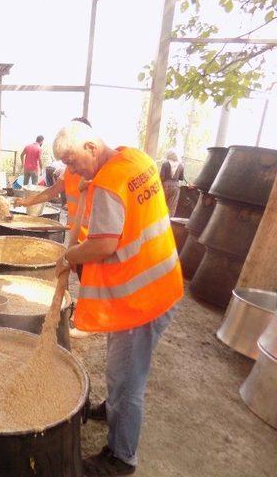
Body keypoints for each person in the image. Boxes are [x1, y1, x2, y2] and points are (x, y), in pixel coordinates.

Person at [53, 120, 183, 476]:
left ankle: (121, 457)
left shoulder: (108, 184)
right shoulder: (135, 159)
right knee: (123, 367)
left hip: (140, 300)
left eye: (73, 160)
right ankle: (112, 408)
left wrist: (68, 256)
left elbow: (104, 244)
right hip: (162, 283)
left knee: (127, 379)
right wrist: (90, 181)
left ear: (92, 148)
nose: (70, 169)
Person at [159, 150, 184, 217]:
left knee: (161, 204)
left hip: (165, 185)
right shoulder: (181, 165)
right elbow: (181, 178)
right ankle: (169, 223)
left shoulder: (165, 164)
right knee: (171, 207)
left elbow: (161, 177)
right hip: (175, 186)